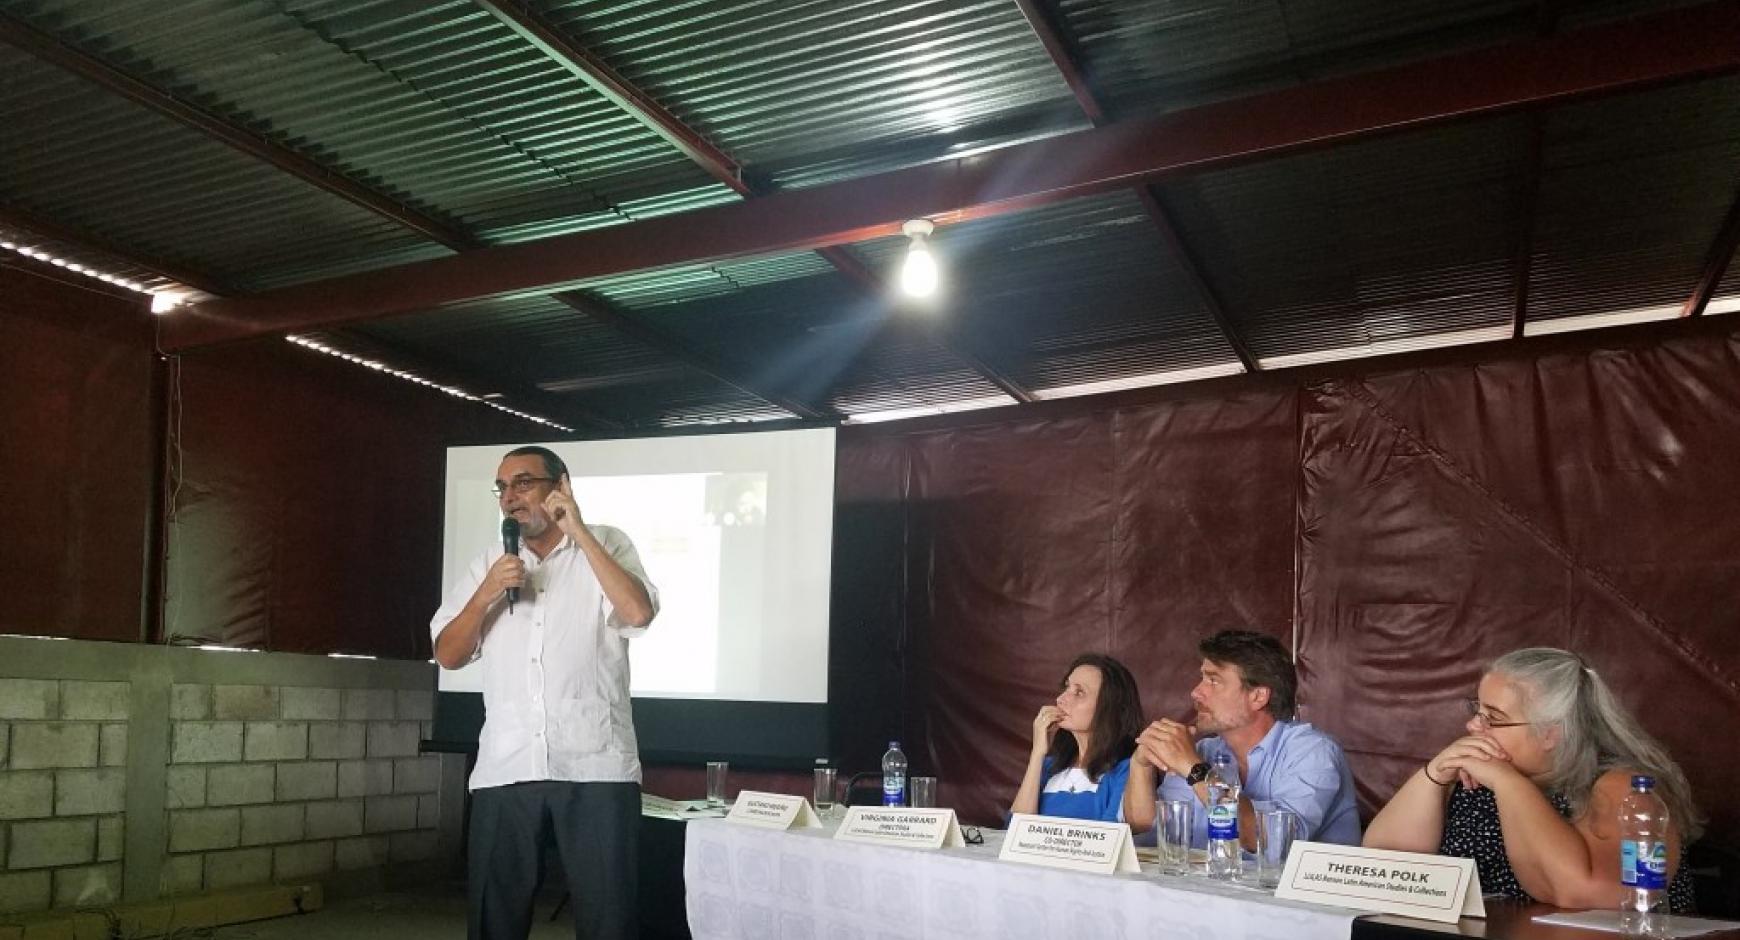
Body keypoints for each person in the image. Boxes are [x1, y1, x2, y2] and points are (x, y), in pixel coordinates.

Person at [431, 446, 658, 940]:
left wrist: (578, 531)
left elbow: (638, 613)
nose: (509, 498)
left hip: (595, 764)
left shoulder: (607, 544)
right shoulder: (489, 565)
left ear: (561, 485)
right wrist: (485, 593)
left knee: (610, 920)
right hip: (507, 764)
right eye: (502, 488)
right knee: (494, 919)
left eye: (523, 483)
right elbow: (447, 653)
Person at [1363, 648, 1701, 911]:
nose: (1472, 728)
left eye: (1492, 718)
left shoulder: (1622, 786)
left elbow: (1581, 890)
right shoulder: (1475, 781)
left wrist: (1508, 783)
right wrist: (1435, 775)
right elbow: (1381, 865)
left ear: (1551, 734)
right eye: (1476, 712)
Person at [1124, 630, 1360, 847]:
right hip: (1210, 891)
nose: (1196, 692)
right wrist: (1141, 764)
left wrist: (1193, 769)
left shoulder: (1312, 751)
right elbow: (1150, 832)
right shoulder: (1204, 750)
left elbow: (1274, 842)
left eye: (1213, 680)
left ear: (1258, 696)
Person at [1010, 652, 1144, 822]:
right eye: (1066, 688)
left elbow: (1111, 834)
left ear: (1111, 708)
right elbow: (1014, 829)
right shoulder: (1050, 766)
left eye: (1079, 692)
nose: (1060, 699)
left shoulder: (1127, 768)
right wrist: (1037, 754)